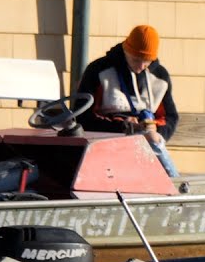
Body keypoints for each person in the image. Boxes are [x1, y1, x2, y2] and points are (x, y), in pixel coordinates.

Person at [75, 24, 181, 177]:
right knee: (150, 142)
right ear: (126, 50)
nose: (141, 66)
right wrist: (125, 128)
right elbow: (83, 117)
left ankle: (174, 186)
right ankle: (175, 185)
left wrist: (154, 130)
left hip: (147, 145)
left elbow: (170, 117)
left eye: (147, 61)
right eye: (136, 59)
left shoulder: (160, 76)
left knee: (153, 140)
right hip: (108, 142)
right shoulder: (98, 70)